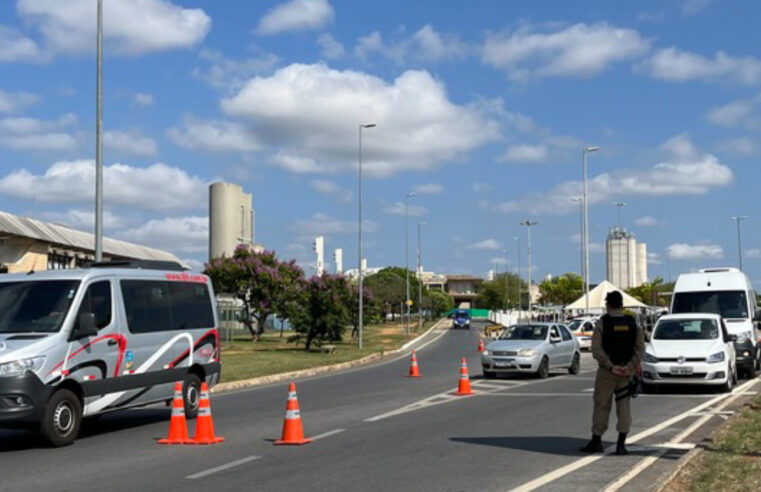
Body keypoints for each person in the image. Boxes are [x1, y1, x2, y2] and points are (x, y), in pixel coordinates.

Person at [580, 290, 645, 455]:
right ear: (622, 305)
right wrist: (630, 367)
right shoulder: (632, 322)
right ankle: (621, 444)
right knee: (624, 408)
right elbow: (640, 348)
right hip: (626, 372)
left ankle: (596, 441)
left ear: (607, 305)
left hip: (607, 373)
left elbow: (596, 349)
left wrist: (610, 366)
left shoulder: (603, 322)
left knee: (601, 405)